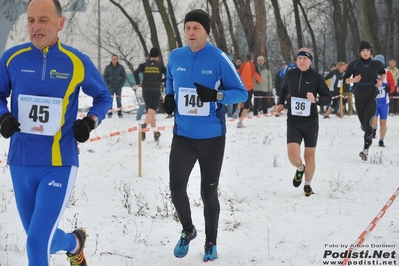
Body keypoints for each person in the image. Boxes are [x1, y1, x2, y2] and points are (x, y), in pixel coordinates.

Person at [0, 0, 112, 265]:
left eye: (43, 20)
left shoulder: (75, 61)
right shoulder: (12, 59)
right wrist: (3, 116)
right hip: (21, 162)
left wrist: (90, 122)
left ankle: (73, 243)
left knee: (37, 241)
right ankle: (74, 243)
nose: (36, 27)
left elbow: (103, 97)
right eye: (30, 21)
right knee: (41, 240)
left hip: (59, 163)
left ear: (60, 23)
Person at [162, 9, 247, 262]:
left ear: (206, 31)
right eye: (187, 27)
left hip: (212, 138)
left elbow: (241, 93)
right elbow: (170, 79)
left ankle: (211, 242)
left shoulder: (219, 58)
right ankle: (188, 230)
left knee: (208, 193)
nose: (190, 32)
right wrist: (168, 97)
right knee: (176, 188)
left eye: (196, 28)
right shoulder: (176, 56)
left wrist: (217, 96)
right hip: (183, 136)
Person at [276, 47, 331, 197]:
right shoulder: (291, 74)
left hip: (311, 122)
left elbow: (327, 97)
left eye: (305, 58)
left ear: (310, 61)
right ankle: (300, 168)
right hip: (294, 121)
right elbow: (283, 90)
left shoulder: (316, 77)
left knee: (310, 156)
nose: (301, 61)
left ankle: (307, 185)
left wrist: (316, 100)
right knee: (293, 155)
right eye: (299, 58)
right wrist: (280, 103)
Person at [343, 41, 386, 161]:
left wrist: (380, 81)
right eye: (363, 51)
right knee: (364, 124)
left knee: (368, 123)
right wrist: (353, 80)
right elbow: (345, 79)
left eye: (367, 50)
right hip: (359, 98)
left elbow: (383, 72)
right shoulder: (355, 65)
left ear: (370, 52)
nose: (365, 53)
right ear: (360, 52)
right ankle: (368, 130)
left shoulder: (376, 64)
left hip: (371, 97)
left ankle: (365, 149)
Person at [134, 47, 166, 141]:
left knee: (150, 113)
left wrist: (138, 82)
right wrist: (161, 80)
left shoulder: (144, 65)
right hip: (155, 90)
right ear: (158, 57)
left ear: (149, 56)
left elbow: (135, 73)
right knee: (152, 111)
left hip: (146, 90)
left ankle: (155, 133)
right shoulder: (160, 65)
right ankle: (144, 127)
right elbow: (169, 75)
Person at [371, 55, 395, 147]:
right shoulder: (371, 72)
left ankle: (381, 140)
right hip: (373, 101)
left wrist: (389, 89)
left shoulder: (387, 73)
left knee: (383, 122)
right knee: (374, 120)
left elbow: (392, 86)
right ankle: (374, 129)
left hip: (384, 103)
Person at [236, 52, 262, 127]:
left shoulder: (241, 65)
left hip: (241, 87)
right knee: (246, 106)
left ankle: (238, 108)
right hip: (249, 88)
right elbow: (259, 78)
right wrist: (257, 81)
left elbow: (237, 73)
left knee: (242, 101)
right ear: (252, 59)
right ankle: (240, 122)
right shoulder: (254, 66)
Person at [103, 54, 127, 118]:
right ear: (111, 59)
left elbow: (124, 76)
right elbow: (105, 77)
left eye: (115, 59)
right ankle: (110, 113)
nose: (114, 60)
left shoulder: (121, 67)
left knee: (119, 100)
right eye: (113, 59)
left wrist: (121, 85)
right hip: (110, 87)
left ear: (117, 59)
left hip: (118, 87)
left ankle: (120, 113)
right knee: (110, 100)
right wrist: (108, 85)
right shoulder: (107, 67)